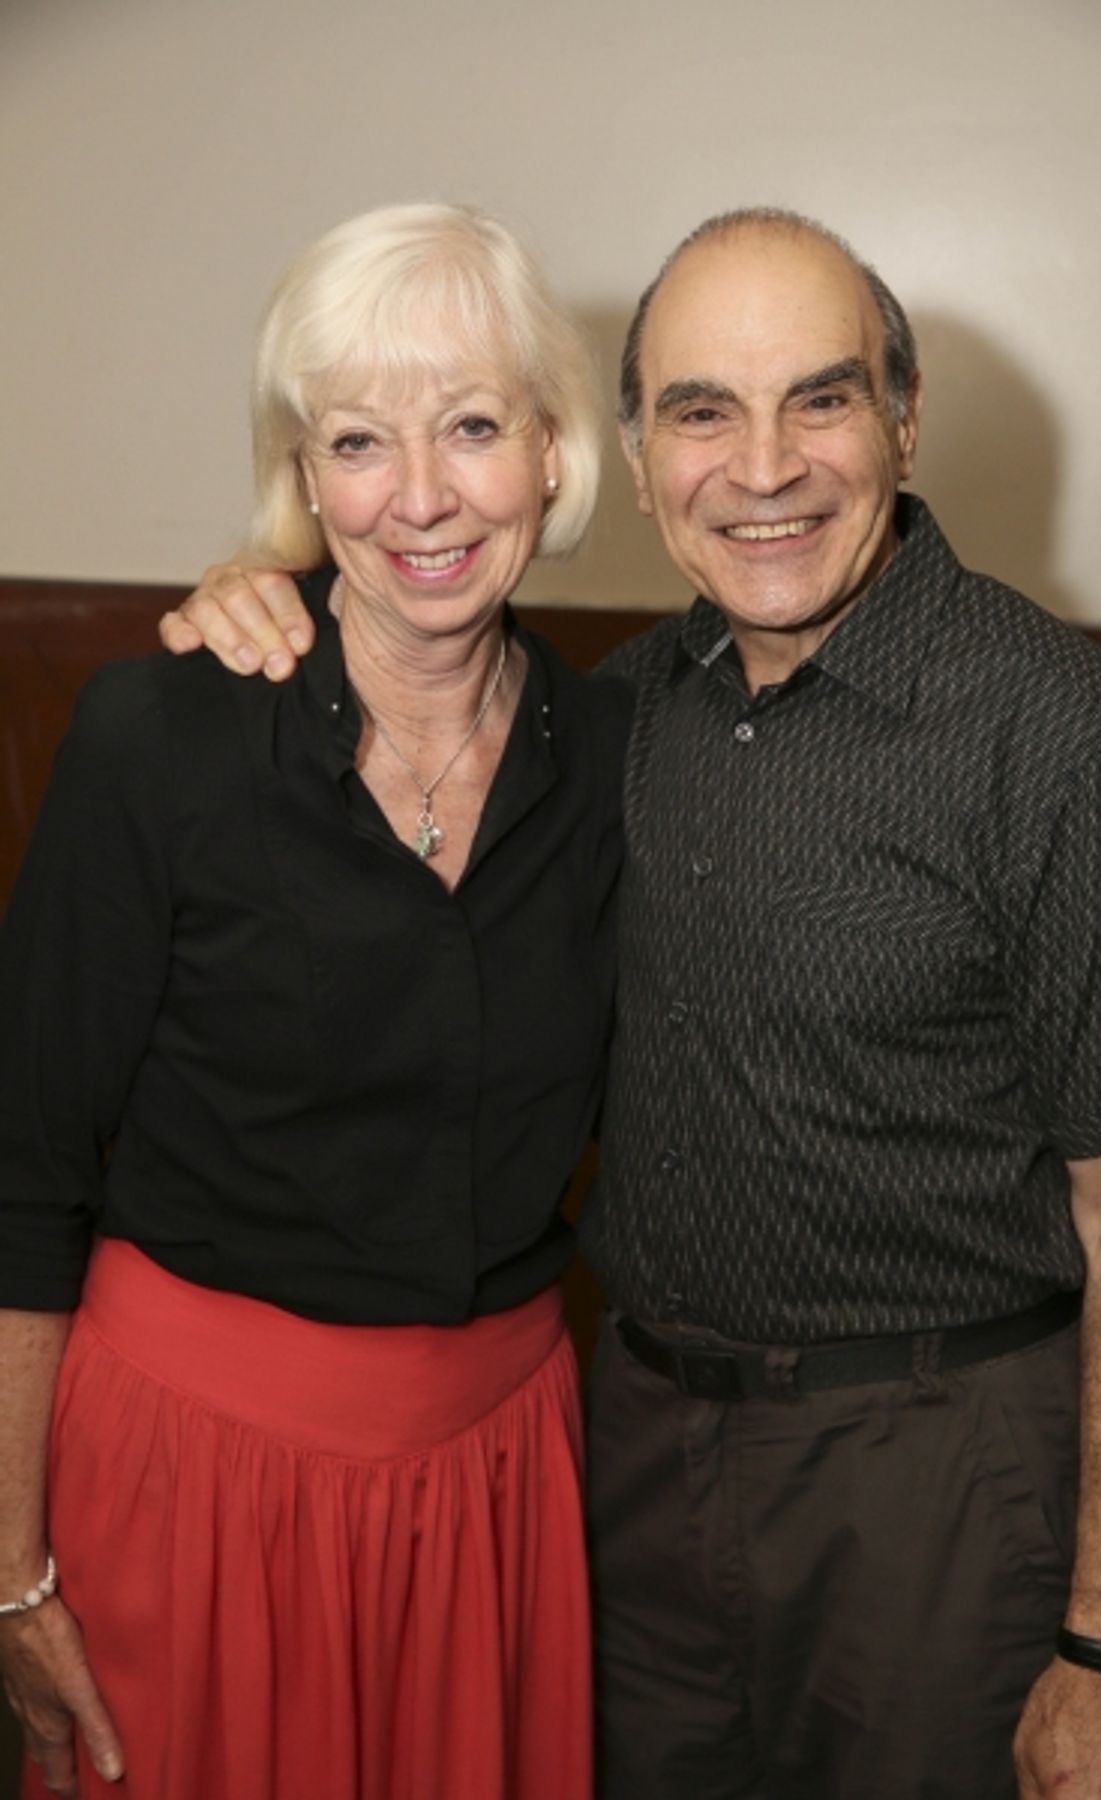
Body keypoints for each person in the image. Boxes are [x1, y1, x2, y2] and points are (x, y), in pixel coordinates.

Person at [159, 208, 1101, 1800]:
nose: (763, 466)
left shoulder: (1067, 741)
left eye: (824, 399)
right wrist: (267, 582)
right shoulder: (612, 715)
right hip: (633, 1467)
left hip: (940, 1480)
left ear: (904, 419)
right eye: (704, 411)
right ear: (633, 459)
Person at [0, 201, 631, 1800]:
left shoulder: (632, 754)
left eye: (474, 427)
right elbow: (21, 1175)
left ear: (554, 456)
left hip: (497, 1485)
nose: (419, 496)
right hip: (188, 1477)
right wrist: (8, 1568)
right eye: (359, 441)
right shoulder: (159, 737)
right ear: (305, 479)